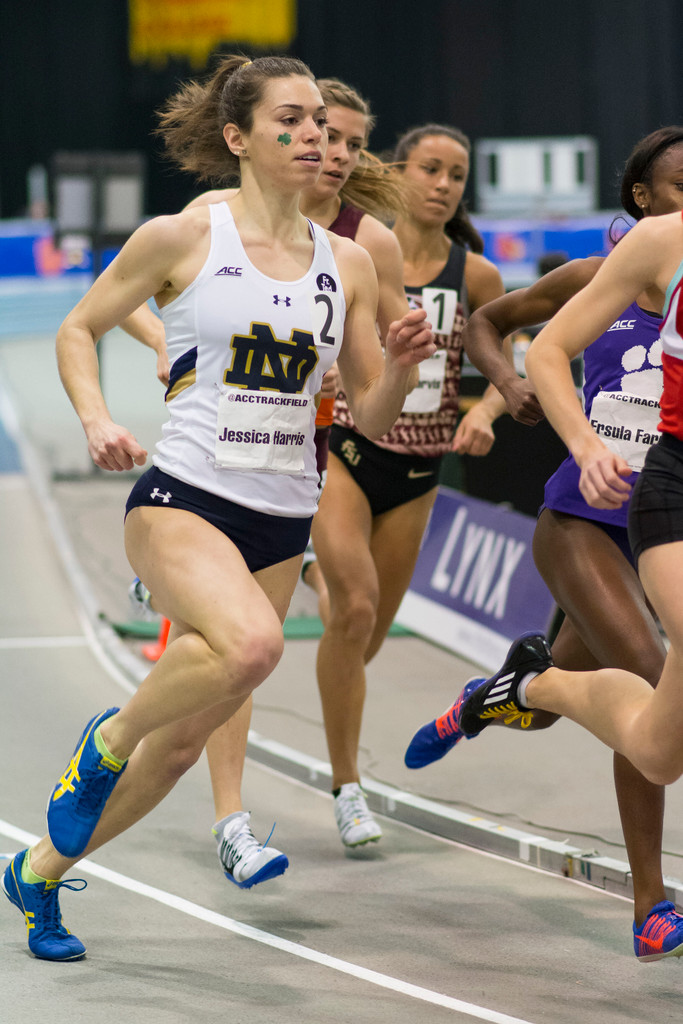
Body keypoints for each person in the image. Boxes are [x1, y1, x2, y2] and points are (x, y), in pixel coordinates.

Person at [1, 54, 436, 962]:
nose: (314, 133)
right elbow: (80, 325)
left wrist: (398, 365)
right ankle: (103, 741)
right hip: (184, 496)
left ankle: (37, 874)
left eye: (320, 119)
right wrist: (95, 418)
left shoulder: (348, 262)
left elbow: (367, 413)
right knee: (253, 647)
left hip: (281, 516)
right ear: (238, 139)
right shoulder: (186, 234)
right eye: (291, 120)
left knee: (180, 747)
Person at [404, 193, 683, 962]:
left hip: (667, 522)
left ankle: (502, 691)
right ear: (644, 201)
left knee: (573, 699)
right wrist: (508, 390)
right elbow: (489, 323)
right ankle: (649, 906)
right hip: (585, 520)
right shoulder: (602, 274)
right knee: (655, 682)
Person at [306, 122, 513, 849]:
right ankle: (346, 786)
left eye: (456, 174)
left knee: (359, 637)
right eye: (429, 168)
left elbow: (512, 350)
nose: (442, 185)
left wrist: (486, 408)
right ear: (397, 172)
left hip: (420, 474)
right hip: (350, 451)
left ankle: (307, 573)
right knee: (356, 608)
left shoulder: (476, 275)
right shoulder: (361, 254)